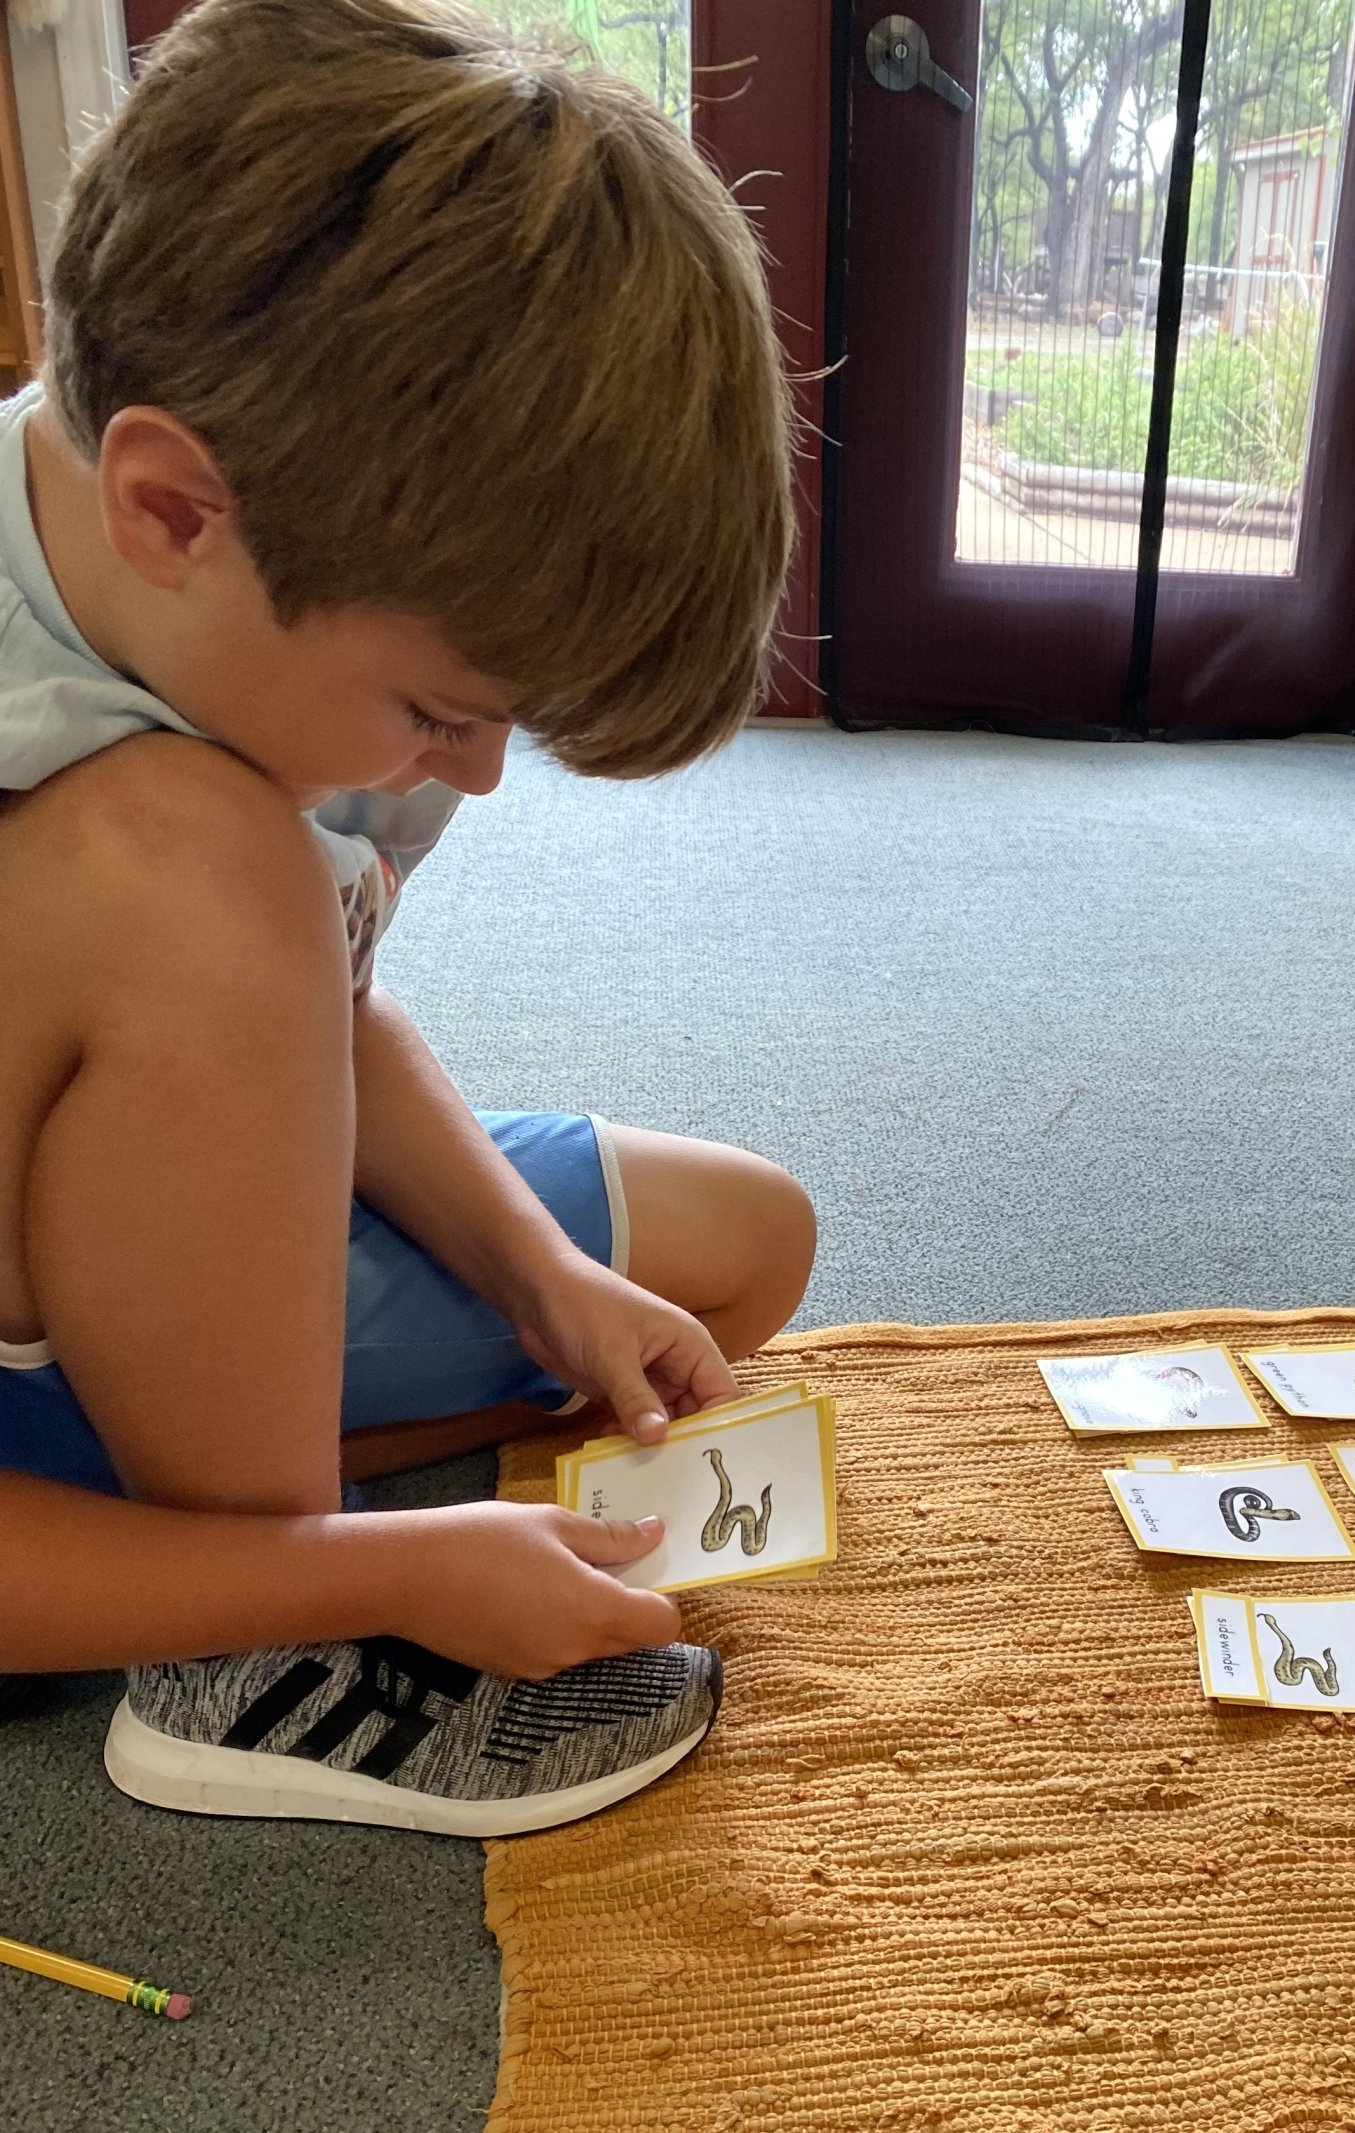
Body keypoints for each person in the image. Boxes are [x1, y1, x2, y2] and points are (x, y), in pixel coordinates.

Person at [0, 0, 813, 1837]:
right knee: (205, 864)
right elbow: (244, 947)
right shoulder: (157, 838)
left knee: (731, 1254)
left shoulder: (308, 580)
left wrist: (552, 1278)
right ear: (168, 508)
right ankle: (242, 1656)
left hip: (121, 1278)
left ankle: (172, 1550)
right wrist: (365, 1580)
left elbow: (325, 1016)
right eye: (447, 716)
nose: (477, 777)